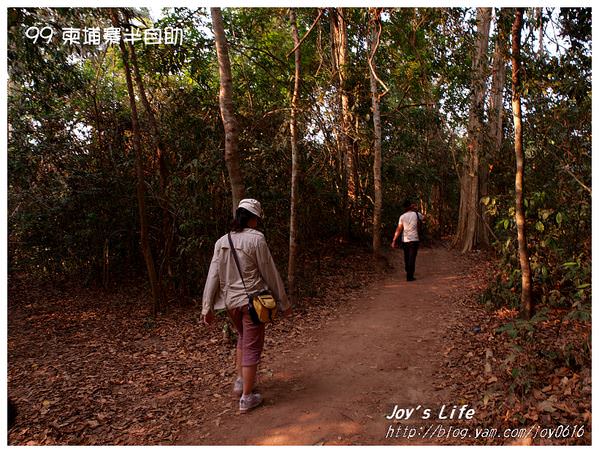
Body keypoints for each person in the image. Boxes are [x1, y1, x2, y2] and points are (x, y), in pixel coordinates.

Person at [201, 198, 291, 413]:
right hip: (253, 303)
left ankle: (241, 382)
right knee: (252, 346)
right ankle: (247, 397)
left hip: (231, 303)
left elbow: (213, 275)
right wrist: (283, 302)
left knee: (243, 340)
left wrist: (207, 307)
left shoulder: (221, 241)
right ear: (253, 219)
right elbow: (269, 271)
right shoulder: (256, 239)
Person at [391, 200, 425, 281]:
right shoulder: (416, 214)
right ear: (411, 206)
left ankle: (408, 270)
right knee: (412, 258)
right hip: (414, 239)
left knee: (406, 257)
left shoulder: (402, 216)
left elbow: (399, 229)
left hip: (405, 240)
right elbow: (424, 218)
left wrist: (394, 240)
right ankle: (409, 276)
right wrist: (416, 210)